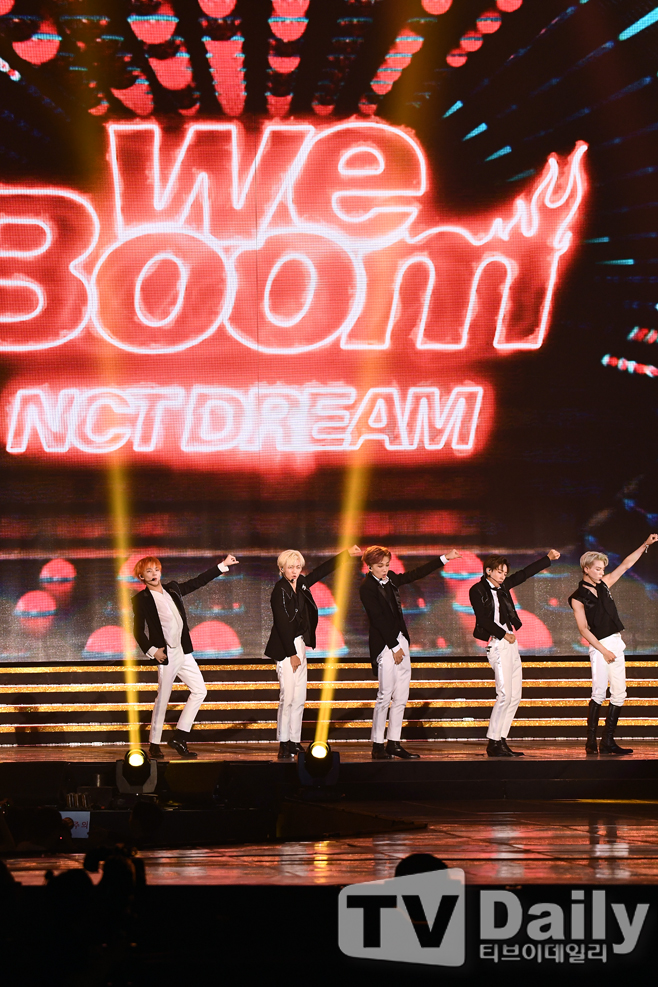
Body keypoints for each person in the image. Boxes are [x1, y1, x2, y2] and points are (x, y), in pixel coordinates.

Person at [132, 554, 238, 759]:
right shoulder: (141, 600)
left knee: (200, 691)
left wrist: (222, 566)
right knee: (163, 699)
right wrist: (153, 651)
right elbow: (138, 631)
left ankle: (180, 737)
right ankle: (154, 743)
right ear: (141, 577)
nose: (154, 574)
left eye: (156, 570)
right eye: (149, 571)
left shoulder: (173, 589)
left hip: (183, 651)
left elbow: (197, 582)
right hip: (167, 654)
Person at [360, 545, 461, 760]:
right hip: (385, 645)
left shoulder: (391, 579)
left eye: (387, 565)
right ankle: (378, 745)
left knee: (401, 696)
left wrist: (445, 558)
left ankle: (394, 743)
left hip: (401, 640)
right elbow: (377, 619)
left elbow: (416, 574)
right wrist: (394, 647)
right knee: (385, 695)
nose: (385, 569)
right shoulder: (366, 588)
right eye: (380, 566)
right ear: (369, 566)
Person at [265, 545, 361, 759]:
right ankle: (283, 742)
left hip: (299, 644)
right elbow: (282, 624)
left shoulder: (302, 584)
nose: (295, 571)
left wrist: (346, 555)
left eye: (298, 567)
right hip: (286, 648)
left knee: (299, 696)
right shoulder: (279, 590)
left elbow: (321, 571)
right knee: (288, 697)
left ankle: (294, 740)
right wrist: (292, 653)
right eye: (291, 567)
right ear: (282, 568)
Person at [569, 534, 658, 756]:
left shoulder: (605, 585)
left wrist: (644, 544)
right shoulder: (577, 597)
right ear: (586, 569)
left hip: (616, 642)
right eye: (597, 569)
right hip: (599, 645)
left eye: (603, 569)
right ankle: (591, 740)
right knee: (599, 691)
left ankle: (607, 740)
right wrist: (604, 651)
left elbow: (626, 564)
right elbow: (583, 629)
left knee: (619, 693)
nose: (601, 573)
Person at [470, 549, 560, 757]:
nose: (503, 576)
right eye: (499, 572)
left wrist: (547, 559)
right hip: (497, 643)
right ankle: (493, 742)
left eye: (505, 573)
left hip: (511, 643)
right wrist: (503, 634)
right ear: (488, 571)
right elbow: (482, 619)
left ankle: (501, 739)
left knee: (515, 696)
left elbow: (524, 574)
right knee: (504, 694)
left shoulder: (503, 587)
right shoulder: (477, 590)